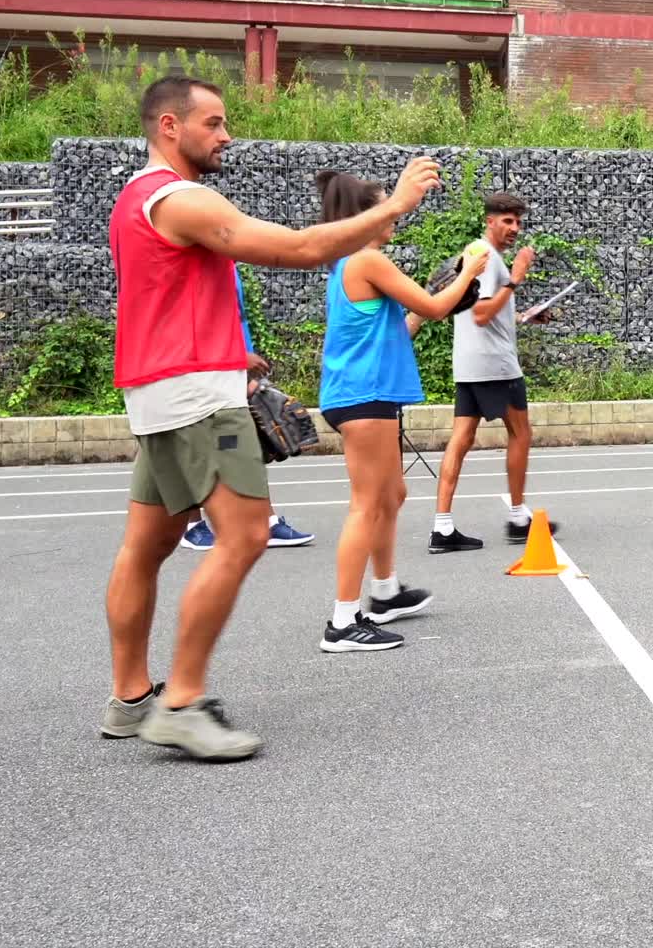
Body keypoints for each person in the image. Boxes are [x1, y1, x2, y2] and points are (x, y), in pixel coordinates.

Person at [101, 76, 441, 760]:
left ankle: (130, 698)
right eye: (214, 123)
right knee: (246, 534)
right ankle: (184, 702)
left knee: (147, 546)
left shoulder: (134, 200)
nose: (227, 135)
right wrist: (394, 205)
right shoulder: (181, 197)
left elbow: (166, 299)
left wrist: (235, 352)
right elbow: (296, 247)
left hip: (161, 389)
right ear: (169, 126)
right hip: (197, 398)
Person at [315, 170, 488, 654]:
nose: (393, 212)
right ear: (364, 216)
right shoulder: (367, 259)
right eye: (383, 205)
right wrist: (469, 273)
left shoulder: (350, 264)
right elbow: (434, 308)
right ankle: (343, 621)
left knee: (391, 494)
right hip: (363, 397)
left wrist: (447, 291)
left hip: (366, 394)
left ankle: (386, 593)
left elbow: (408, 322)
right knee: (367, 504)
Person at [428, 191, 558, 554]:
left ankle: (442, 527)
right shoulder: (487, 258)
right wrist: (516, 278)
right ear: (489, 221)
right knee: (521, 433)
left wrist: (522, 316)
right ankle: (518, 518)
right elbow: (483, 314)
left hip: (469, 364)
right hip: (496, 364)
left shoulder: (477, 254)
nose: (514, 228)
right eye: (507, 221)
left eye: (518, 221)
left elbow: (486, 311)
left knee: (462, 439)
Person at [182, 266, 314, 551]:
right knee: (198, 449)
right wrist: (236, 359)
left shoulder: (226, 264)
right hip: (207, 373)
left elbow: (231, 321)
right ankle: (192, 524)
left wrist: (245, 371)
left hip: (232, 370)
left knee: (244, 448)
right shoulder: (193, 264)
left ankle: (265, 522)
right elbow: (190, 325)